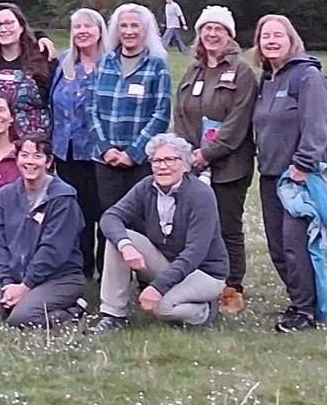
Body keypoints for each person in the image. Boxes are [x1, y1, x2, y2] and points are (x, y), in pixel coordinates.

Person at [87, 133, 229, 333]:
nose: (163, 166)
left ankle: (205, 310)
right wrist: (126, 246)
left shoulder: (201, 195)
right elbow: (111, 216)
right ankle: (113, 315)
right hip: (168, 262)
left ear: (185, 165)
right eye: (157, 161)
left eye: (170, 160)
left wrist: (157, 287)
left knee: (161, 308)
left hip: (203, 272)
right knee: (117, 239)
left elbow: (194, 253)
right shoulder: (146, 186)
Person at [252, 14, 327, 333]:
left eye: (278, 35)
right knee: (277, 246)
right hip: (270, 175)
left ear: (291, 40)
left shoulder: (307, 76)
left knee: (296, 244)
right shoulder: (267, 80)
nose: (271, 41)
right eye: (265, 36)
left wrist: (302, 165)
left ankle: (307, 311)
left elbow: (318, 124)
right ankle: (298, 300)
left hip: (299, 177)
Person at [173, 5, 258, 316]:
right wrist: (187, 154)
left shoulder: (242, 72)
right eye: (206, 28)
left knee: (227, 228)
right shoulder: (193, 71)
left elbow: (238, 121)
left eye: (218, 29)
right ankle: (200, 283)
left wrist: (207, 154)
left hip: (228, 167)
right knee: (196, 228)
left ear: (229, 35)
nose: (212, 34)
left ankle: (232, 288)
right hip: (193, 166)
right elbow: (181, 114)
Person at [0, 138, 87, 327]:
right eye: (24, 155)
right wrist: (8, 282)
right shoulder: (4, 196)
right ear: (17, 159)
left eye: (37, 156)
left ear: (48, 162)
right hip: (15, 273)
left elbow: (54, 250)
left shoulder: (63, 198)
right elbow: (0, 244)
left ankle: (73, 310)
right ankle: (22, 300)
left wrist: (26, 286)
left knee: (22, 319)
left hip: (59, 276)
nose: (30, 162)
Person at [88, 3, 171, 237]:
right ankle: (109, 262)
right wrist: (106, 149)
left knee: (140, 221)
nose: (128, 31)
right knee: (109, 219)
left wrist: (133, 153)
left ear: (145, 30)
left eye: (135, 26)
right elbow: (92, 109)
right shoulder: (104, 63)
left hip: (140, 161)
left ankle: (142, 262)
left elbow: (161, 114)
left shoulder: (157, 66)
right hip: (106, 160)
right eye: (123, 26)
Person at [50, 7, 109, 277]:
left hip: (101, 153)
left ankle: (106, 271)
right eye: (77, 27)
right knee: (76, 213)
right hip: (67, 152)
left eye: (88, 26)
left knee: (103, 213)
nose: (82, 31)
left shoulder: (110, 63)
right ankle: (81, 269)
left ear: (100, 31)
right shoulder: (64, 62)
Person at [0, 2, 52, 144]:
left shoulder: (42, 59)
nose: (3, 29)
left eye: (9, 23)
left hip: (34, 147)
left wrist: (41, 36)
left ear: (21, 27)